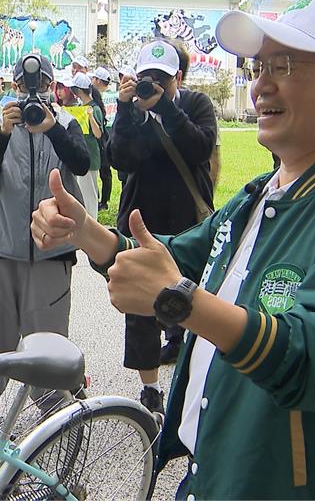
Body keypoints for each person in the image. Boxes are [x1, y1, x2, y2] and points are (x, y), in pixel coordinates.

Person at [31, 0, 315, 499]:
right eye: (259, 69)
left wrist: (179, 300)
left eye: (284, 66)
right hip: (208, 476)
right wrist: (88, 233)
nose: (262, 87)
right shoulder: (260, 195)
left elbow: (311, 360)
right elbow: (176, 256)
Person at [0, 53, 89, 416]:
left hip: (51, 251)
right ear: (13, 88)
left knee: (49, 347)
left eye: (38, 87)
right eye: (22, 88)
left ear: (53, 88)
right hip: (1, 249)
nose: (30, 96)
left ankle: (55, 427)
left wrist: (52, 128)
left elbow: (82, 163)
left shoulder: (66, 122)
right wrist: (5, 133)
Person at [106, 39, 218, 414]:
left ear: (178, 78)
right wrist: (124, 110)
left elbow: (199, 148)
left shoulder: (194, 105)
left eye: (162, 79)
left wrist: (167, 108)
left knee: (193, 300)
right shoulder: (133, 112)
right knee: (140, 310)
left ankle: (193, 374)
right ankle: (151, 389)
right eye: (146, 78)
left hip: (188, 225)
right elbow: (120, 157)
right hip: (143, 222)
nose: (152, 85)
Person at [71, 72, 104, 219]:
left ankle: (93, 223)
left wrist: (90, 116)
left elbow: (98, 134)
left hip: (91, 158)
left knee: (90, 194)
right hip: (81, 156)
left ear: (78, 91)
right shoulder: (79, 107)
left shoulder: (94, 109)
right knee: (81, 193)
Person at [88, 67, 114, 210]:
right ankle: (102, 200)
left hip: (102, 140)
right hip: (102, 139)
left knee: (105, 171)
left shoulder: (95, 102)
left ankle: (104, 201)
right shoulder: (94, 95)